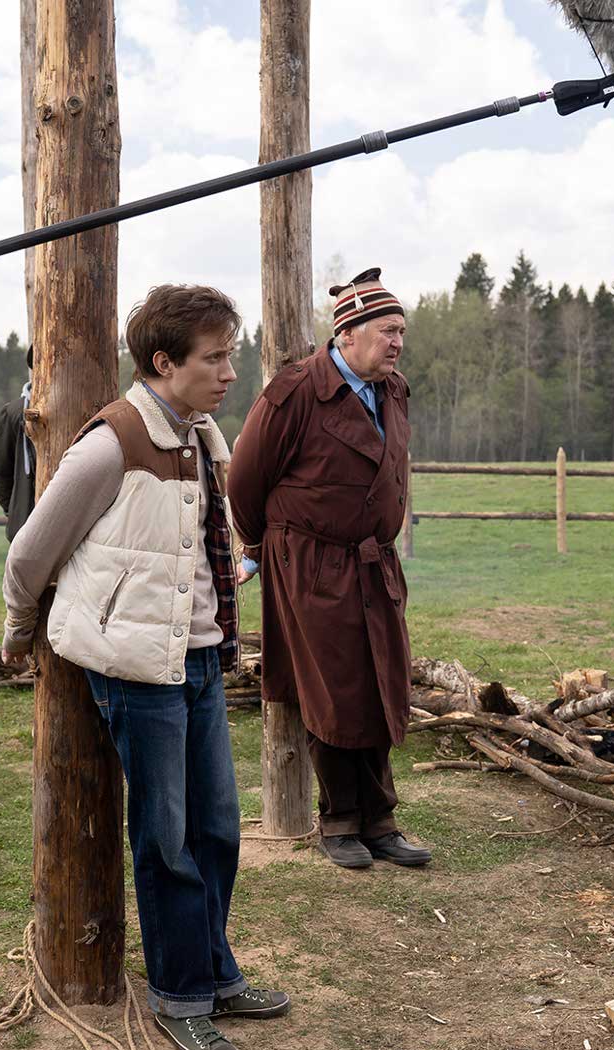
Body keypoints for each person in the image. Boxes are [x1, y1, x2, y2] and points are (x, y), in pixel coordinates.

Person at [0, 285, 288, 1050]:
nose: (231, 370)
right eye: (215, 357)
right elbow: (31, 553)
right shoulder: (111, 443)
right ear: (164, 362)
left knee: (219, 829)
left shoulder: (199, 433)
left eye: (230, 353)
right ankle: (181, 997)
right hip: (135, 670)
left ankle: (216, 971)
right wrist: (20, 630)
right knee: (166, 841)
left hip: (196, 657)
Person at [227, 268, 428, 872]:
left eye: (401, 332)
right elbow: (244, 481)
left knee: (378, 679)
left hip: (372, 564)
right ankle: (340, 819)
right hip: (311, 562)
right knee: (333, 689)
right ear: (348, 331)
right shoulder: (296, 392)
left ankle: (380, 820)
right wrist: (266, 550)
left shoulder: (392, 390)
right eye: (387, 331)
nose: (397, 343)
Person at [0, 344, 37, 542]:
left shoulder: (92, 409)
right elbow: (1, 468)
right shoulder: (14, 413)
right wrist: (16, 510)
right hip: (28, 529)